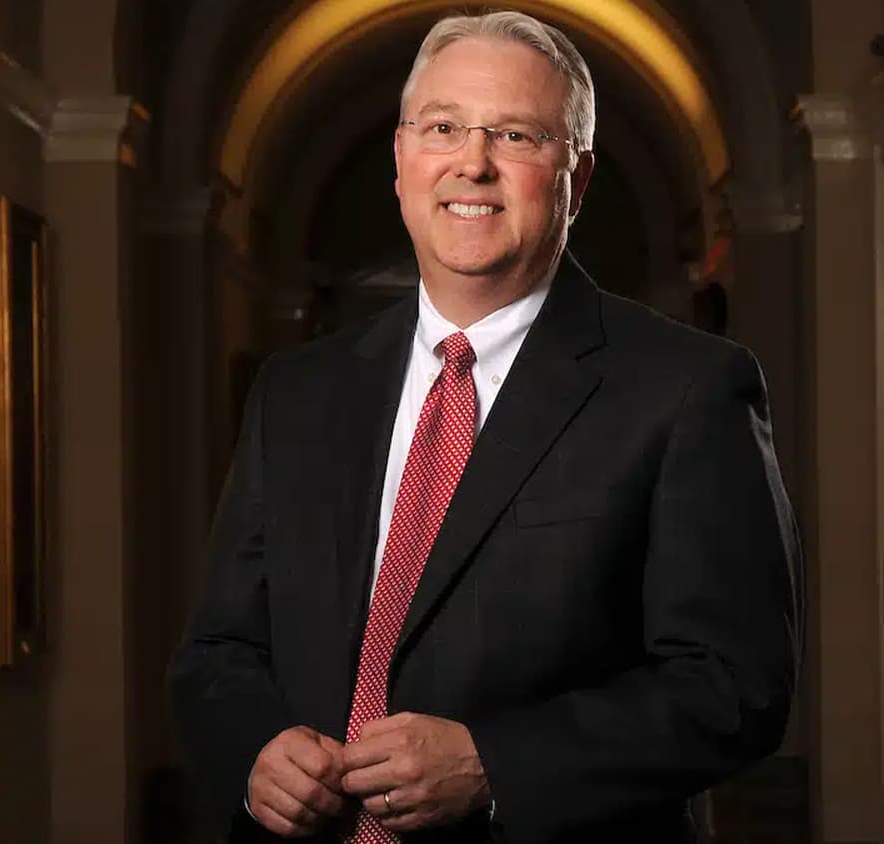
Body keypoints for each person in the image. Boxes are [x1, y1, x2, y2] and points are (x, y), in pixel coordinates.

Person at [168, 11, 802, 843]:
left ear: (575, 177)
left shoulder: (686, 389)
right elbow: (217, 649)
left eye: (516, 134)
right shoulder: (298, 391)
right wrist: (258, 750)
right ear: (401, 162)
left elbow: (735, 687)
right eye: (443, 127)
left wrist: (496, 763)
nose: (472, 162)